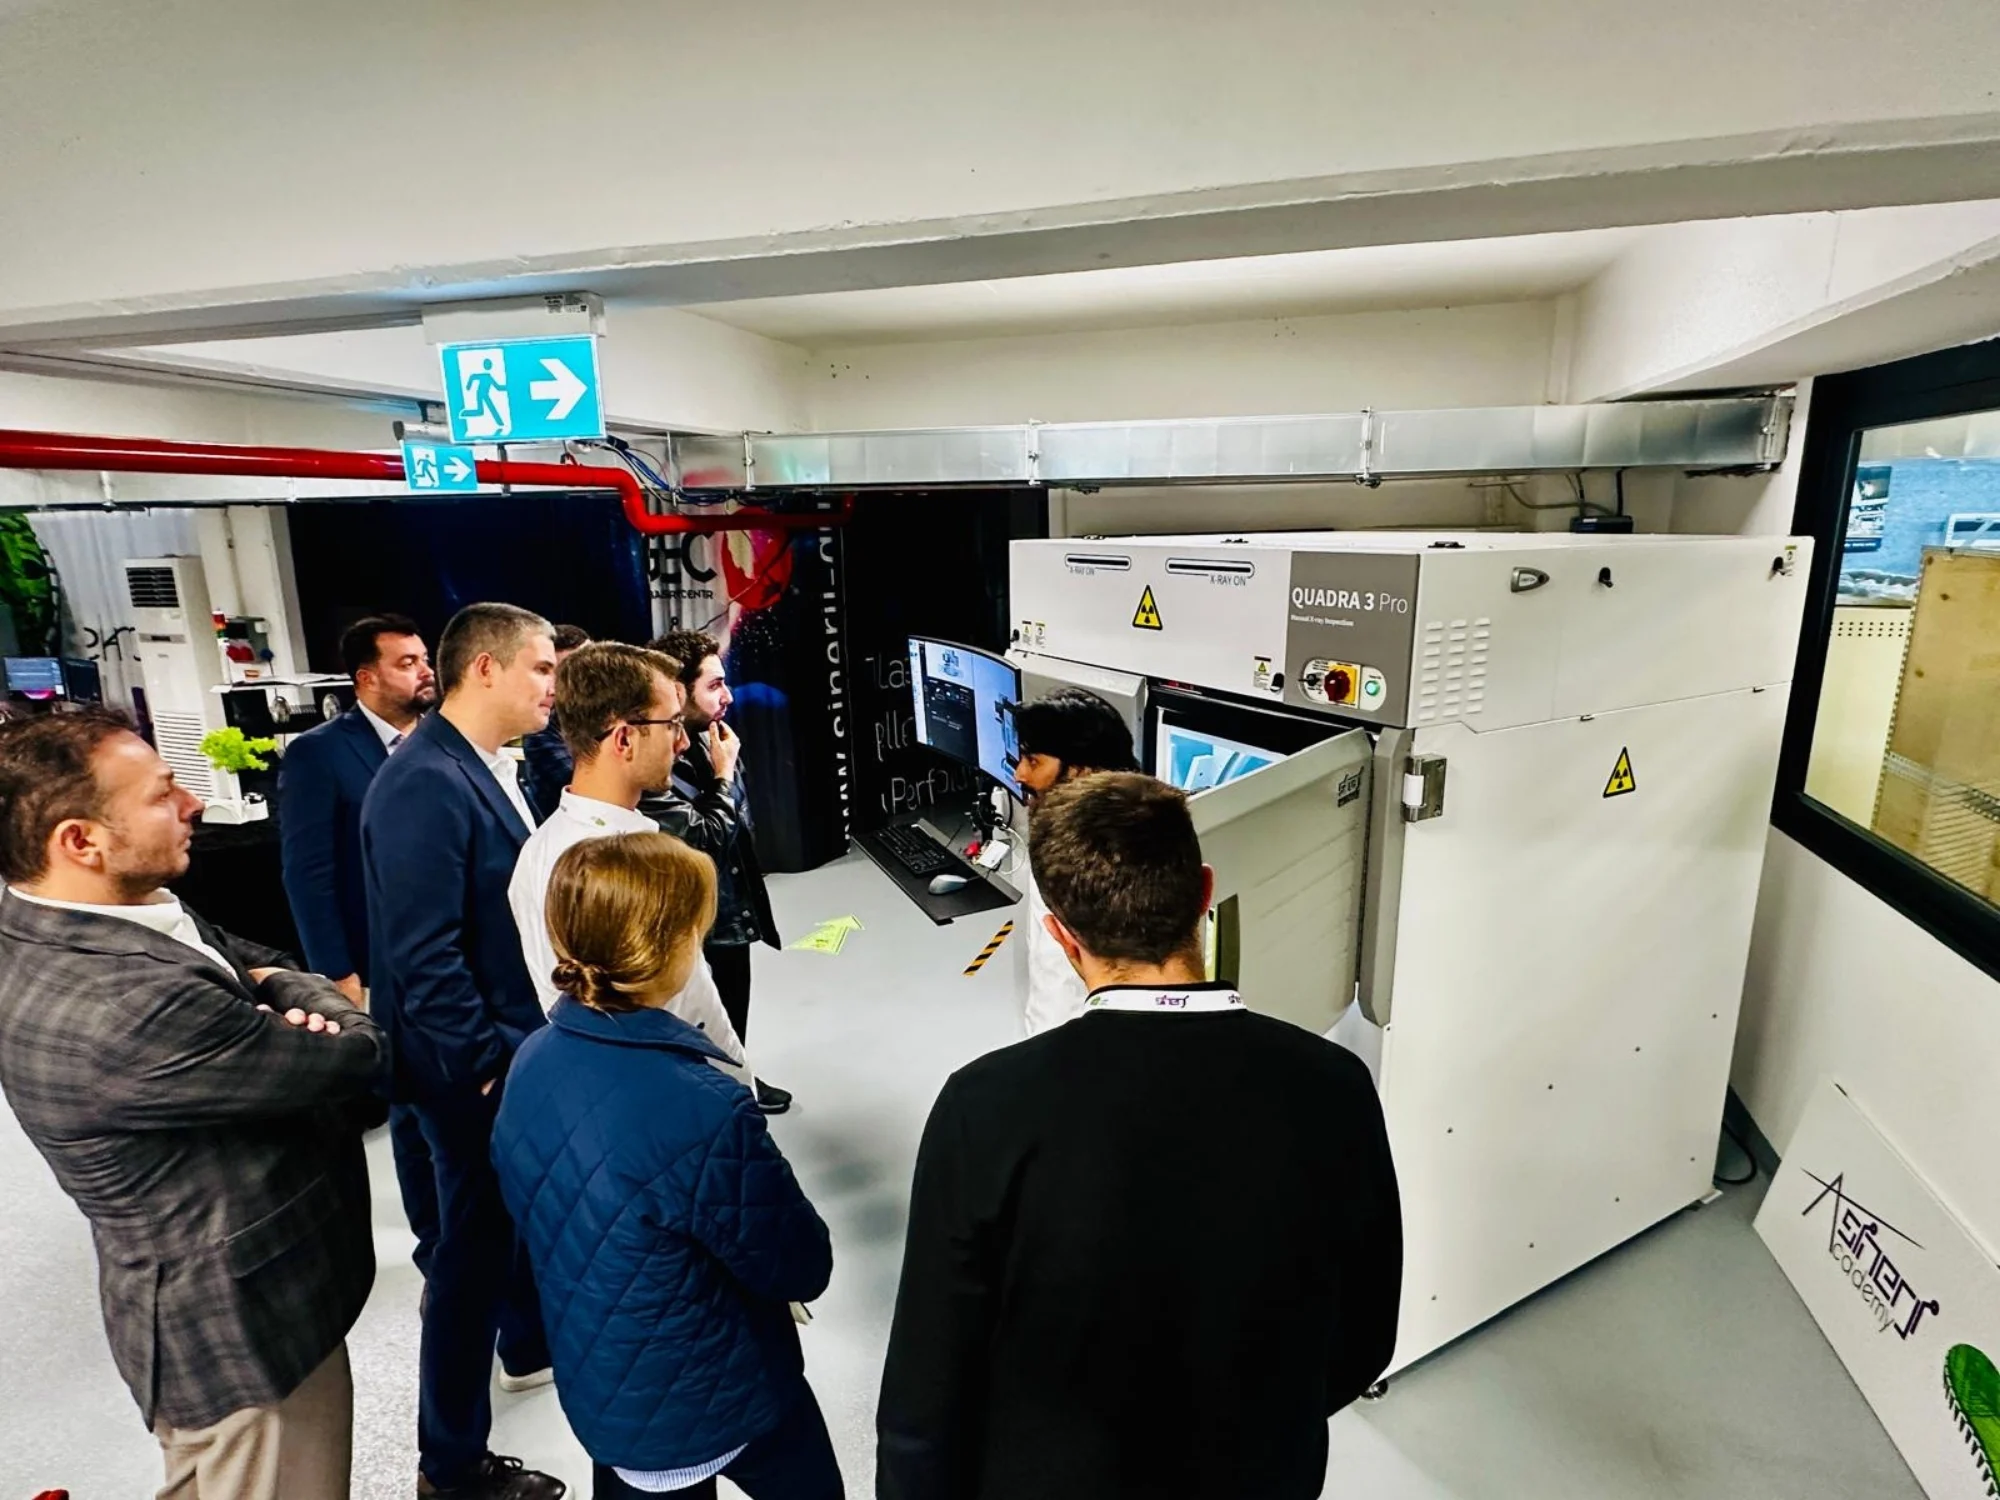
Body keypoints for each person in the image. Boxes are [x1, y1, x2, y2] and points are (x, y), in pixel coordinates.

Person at [876, 773, 1403, 1500]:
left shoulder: (985, 1107)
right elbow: (1366, 1334)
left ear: (1061, 936)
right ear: (1204, 891)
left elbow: (928, 1384)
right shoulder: (1335, 1085)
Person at [0, 710, 386, 1500]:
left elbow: (248, 958)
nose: (193, 803)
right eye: (159, 795)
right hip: (244, 1333)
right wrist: (300, 995)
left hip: (229, 1295)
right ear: (80, 841)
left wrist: (272, 985)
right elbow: (356, 1055)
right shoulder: (128, 1005)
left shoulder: (96, 912)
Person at [493, 832, 841, 1500]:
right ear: (667, 948)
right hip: (724, 1398)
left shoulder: (531, 1061)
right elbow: (801, 1266)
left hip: (607, 1396)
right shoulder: (703, 1107)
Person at [363, 602, 565, 1500]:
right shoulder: (424, 782)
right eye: (542, 669)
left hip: (498, 1049)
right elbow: (424, 953)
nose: (553, 687)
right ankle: (449, 1465)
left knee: (493, 1237)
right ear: (485, 668)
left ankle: (526, 1348)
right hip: (465, 1072)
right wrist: (488, 1064)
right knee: (468, 1257)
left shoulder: (477, 765)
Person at [279, 612, 453, 1290]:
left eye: (425, 658)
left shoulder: (443, 741)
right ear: (366, 677)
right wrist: (337, 972)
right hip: (374, 962)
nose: (425, 671)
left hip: (442, 954)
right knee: (408, 1105)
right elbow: (308, 872)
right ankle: (435, 1249)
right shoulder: (321, 754)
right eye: (407, 662)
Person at [507, 641, 751, 1086]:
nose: (682, 742)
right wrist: (733, 1091)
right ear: (623, 738)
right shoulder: (629, 870)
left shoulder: (538, 853)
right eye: (672, 724)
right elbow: (686, 1011)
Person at [646, 630, 790, 1114]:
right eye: (714, 685)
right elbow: (705, 837)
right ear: (678, 691)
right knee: (700, 1018)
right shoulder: (659, 762)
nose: (727, 696)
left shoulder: (714, 739)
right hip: (691, 920)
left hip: (728, 910)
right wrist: (724, 776)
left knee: (731, 1013)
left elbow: (737, 827)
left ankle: (737, 1076)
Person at [1008, 688, 1141, 1036]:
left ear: (1083, 769)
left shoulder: (1114, 859)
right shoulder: (1054, 827)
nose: (1019, 774)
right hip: (1049, 1024)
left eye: (1033, 761)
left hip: (1080, 1035)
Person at [521, 623, 590, 821]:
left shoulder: (620, 712)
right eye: (569, 673)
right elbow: (588, 787)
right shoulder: (541, 727)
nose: (586, 679)